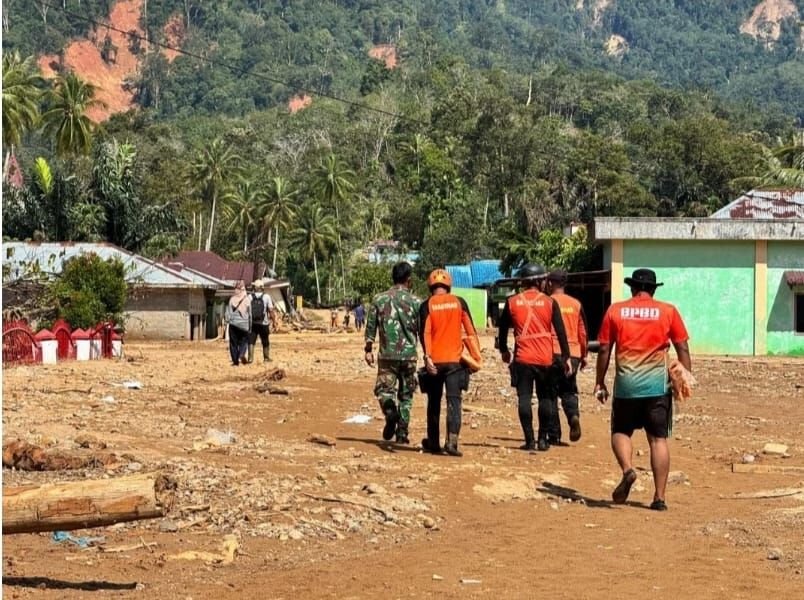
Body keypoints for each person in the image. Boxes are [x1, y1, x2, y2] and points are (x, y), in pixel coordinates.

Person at [594, 268, 691, 511]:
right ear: (654, 289)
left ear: (633, 288)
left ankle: (628, 469)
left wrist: (600, 381)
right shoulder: (668, 311)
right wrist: (685, 376)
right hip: (657, 386)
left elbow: (605, 349)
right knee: (658, 439)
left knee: (621, 431)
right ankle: (659, 498)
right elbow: (683, 348)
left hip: (627, 385)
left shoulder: (615, 310)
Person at [497, 263, 571, 452]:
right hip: (545, 358)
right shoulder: (549, 302)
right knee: (545, 398)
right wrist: (566, 357)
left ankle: (529, 440)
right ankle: (543, 440)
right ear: (539, 281)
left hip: (523, 358)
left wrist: (504, 350)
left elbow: (503, 328)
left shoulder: (512, 301)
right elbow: (561, 333)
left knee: (524, 397)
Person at [419, 269, 481, 457]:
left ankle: (433, 442)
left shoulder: (426, 305)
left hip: (435, 363)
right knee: (454, 401)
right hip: (455, 362)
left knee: (434, 402)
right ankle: (452, 442)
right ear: (449, 286)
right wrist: (476, 358)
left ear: (430, 286)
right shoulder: (459, 302)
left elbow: (425, 333)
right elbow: (470, 331)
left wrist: (427, 356)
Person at [364, 262, 420, 444]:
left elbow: (371, 326)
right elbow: (422, 330)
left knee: (384, 389)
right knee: (406, 395)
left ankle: (390, 412)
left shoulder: (379, 299)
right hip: (409, 356)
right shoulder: (416, 302)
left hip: (387, 355)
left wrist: (368, 349)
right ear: (409, 280)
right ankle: (402, 433)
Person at [545, 269, 588, 444]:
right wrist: (584, 354)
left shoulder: (546, 302)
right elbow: (583, 332)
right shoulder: (576, 304)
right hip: (574, 353)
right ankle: (573, 417)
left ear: (549, 283)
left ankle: (554, 434)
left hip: (551, 352)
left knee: (550, 393)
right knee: (569, 390)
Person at [248, 280, 276, 363]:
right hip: (263, 323)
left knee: (251, 340)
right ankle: (266, 358)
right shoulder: (266, 297)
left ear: (255, 287)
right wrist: (274, 321)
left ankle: (250, 358)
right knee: (265, 340)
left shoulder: (249, 297)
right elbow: (271, 310)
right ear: (262, 287)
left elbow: (246, 310)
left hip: (252, 323)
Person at [225, 280, 252, 366]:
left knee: (233, 343)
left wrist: (228, 322)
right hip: (244, 325)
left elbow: (228, 313)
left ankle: (235, 361)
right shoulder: (247, 300)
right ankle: (242, 354)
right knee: (244, 341)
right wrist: (250, 326)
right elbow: (250, 315)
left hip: (233, 325)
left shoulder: (232, 299)